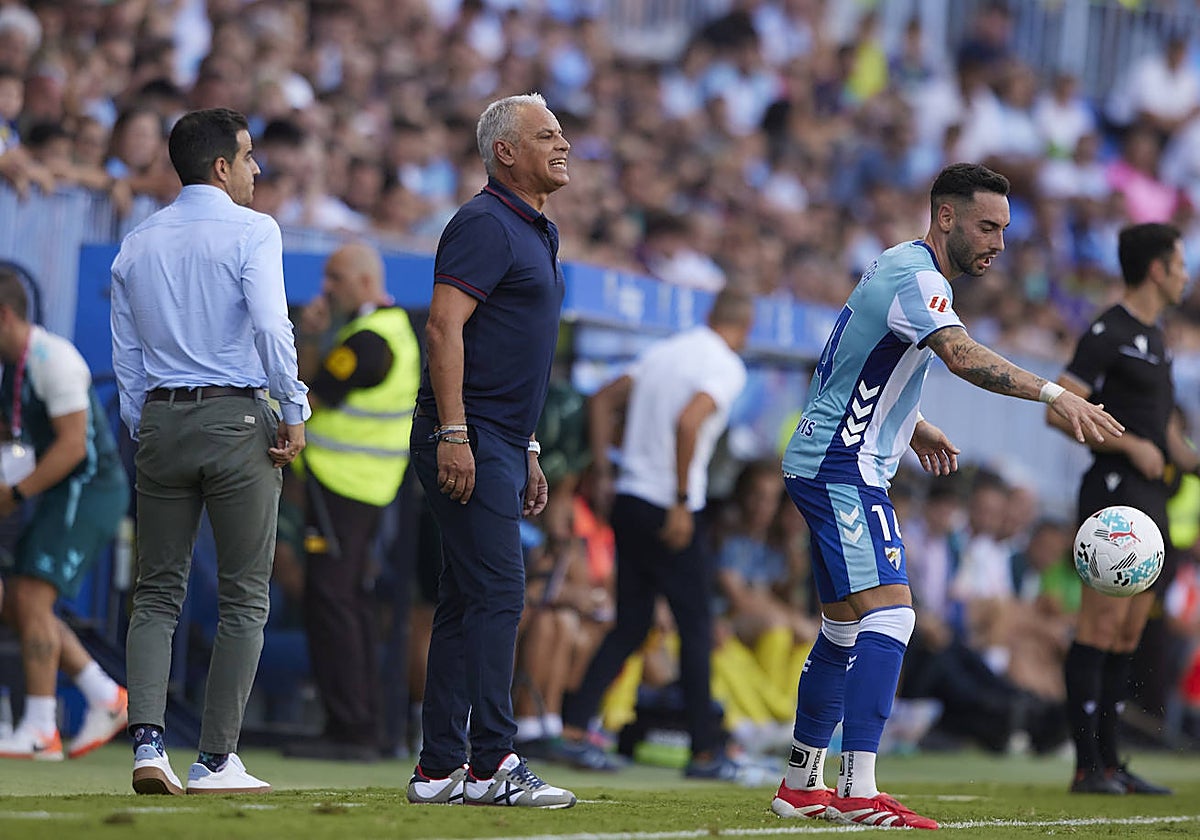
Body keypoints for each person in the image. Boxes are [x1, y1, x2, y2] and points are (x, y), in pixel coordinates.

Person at [770, 162, 1122, 829]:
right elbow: (960, 356)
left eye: (1005, 230)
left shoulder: (897, 265)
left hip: (837, 457)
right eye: (987, 226)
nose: (997, 242)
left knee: (845, 628)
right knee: (893, 617)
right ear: (946, 216)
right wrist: (1055, 391)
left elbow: (854, 360)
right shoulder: (917, 277)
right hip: (841, 465)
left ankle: (800, 782)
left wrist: (912, 424)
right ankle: (857, 791)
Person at [110, 107, 310, 795]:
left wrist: (150, 425)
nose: (257, 169)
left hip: (162, 420)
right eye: (250, 156)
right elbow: (269, 326)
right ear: (222, 166)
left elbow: (127, 359)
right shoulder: (255, 229)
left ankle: (146, 743)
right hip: (236, 418)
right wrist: (295, 406)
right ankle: (216, 759)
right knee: (244, 597)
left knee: (155, 594)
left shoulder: (137, 241)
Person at [404, 92, 576, 809]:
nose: (563, 145)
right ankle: (491, 764)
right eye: (547, 135)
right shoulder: (482, 223)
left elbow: (512, 351)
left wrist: (529, 445)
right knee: (502, 594)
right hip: (467, 435)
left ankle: (439, 766)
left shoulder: (536, 230)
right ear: (505, 151)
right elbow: (444, 328)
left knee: (466, 600)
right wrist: (455, 433)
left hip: (500, 439)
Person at [559, 288, 754, 778]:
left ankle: (575, 728)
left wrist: (603, 470)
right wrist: (684, 500)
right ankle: (706, 750)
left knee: (631, 623)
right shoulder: (724, 365)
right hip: (670, 505)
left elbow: (602, 399)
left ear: (710, 314)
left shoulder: (666, 352)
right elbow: (690, 423)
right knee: (694, 627)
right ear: (744, 327)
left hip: (629, 498)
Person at [1046, 222, 1196, 795]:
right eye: (1180, 264)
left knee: (1128, 634)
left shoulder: (1157, 338)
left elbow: (1168, 440)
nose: (1186, 274)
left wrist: (1178, 454)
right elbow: (1059, 409)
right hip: (1111, 494)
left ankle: (1111, 762)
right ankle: (1086, 766)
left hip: (1151, 498)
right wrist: (1130, 444)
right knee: (1099, 624)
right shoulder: (1107, 330)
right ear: (1157, 269)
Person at [283, 242, 421, 762]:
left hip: (344, 487)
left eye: (336, 278)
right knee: (349, 603)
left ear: (364, 282)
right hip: (363, 488)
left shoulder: (367, 342)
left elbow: (309, 396)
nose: (327, 288)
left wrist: (309, 335)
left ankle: (352, 728)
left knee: (334, 603)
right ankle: (362, 725)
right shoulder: (390, 329)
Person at [0, 269, 130, 761]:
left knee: (31, 594)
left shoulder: (53, 360)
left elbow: (74, 448)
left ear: (4, 316)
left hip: (88, 490)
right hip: (60, 492)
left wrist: (13, 494)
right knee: (18, 601)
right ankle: (105, 695)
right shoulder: (12, 365)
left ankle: (39, 728)